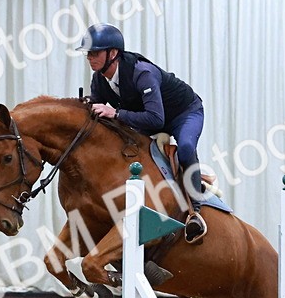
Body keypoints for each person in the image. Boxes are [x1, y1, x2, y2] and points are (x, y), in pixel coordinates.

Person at [78, 23, 208, 243]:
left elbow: (156, 118)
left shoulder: (142, 73)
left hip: (183, 114)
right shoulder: (99, 78)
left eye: (95, 52)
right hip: (150, 120)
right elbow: (99, 113)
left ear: (113, 53)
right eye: (88, 53)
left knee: (185, 147)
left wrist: (116, 112)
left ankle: (196, 211)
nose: (90, 58)